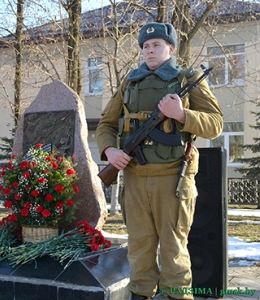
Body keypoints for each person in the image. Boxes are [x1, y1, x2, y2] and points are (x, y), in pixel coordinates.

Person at [96, 23, 223, 300]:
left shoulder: (186, 79)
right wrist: (110, 151)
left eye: (156, 45)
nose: (150, 50)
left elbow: (215, 124)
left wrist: (181, 115)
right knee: (139, 251)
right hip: (135, 179)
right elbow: (106, 124)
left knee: (174, 252)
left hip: (172, 180)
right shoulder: (130, 82)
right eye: (145, 46)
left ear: (171, 49)